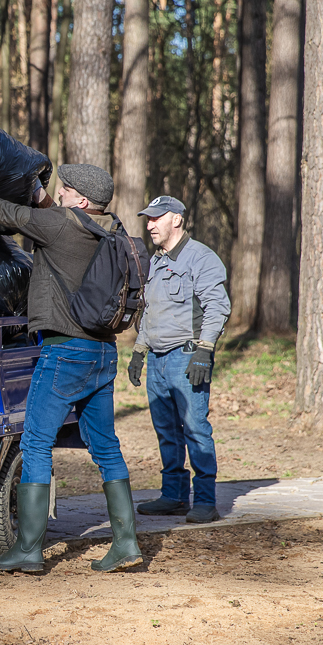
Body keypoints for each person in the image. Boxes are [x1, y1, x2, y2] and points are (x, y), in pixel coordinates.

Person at [0, 156, 143, 573]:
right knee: (106, 449)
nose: (62, 193)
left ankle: (29, 548)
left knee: (35, 443)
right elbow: (53, 213)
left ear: (82, 199)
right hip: (102, 353)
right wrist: (41, 195)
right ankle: (126, 543)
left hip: (64, 352)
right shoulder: (108, 231)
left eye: (67, 190)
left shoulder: (58, 227)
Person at [127, 196, 231, 524]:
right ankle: (173, 496)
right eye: (148, 219)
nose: (149, 225)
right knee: (166, 430)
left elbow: (218, 307)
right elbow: (152, 313)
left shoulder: (201, 257)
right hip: (157, 359)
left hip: (186, 357)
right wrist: (139, 351)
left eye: (156, 219)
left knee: (195, 428)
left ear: (177, 220)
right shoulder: (156, 261)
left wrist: (205, 350)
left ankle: (205, 500)